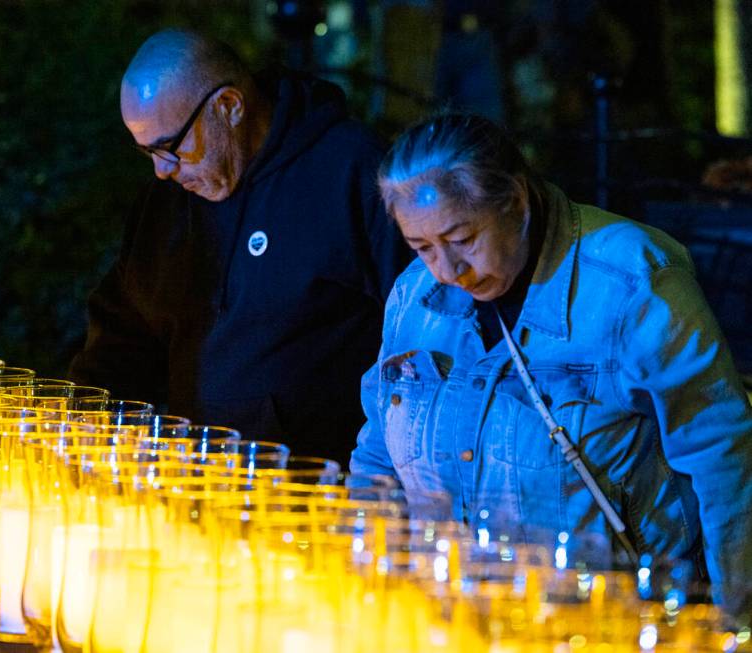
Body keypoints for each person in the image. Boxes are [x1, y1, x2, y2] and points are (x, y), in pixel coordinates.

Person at [350, 112, 752, 610]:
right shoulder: (414, 295)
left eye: (462, 239)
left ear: (516, 201)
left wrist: (736, 619)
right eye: (421, 247)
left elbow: (723, 458)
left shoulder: (632, 283)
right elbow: (377, 461)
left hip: (612, 620)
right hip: (454, 617)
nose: (448, 270)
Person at [69, 29, 410, 465]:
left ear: (228, 106)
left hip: (319, 489)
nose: (161, 171)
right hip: (197, 480)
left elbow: (422, 328)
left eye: (169, 148)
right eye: (146, 153)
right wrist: (85, 415)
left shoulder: (352, 173)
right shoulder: (169, 203)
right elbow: (124, 327)